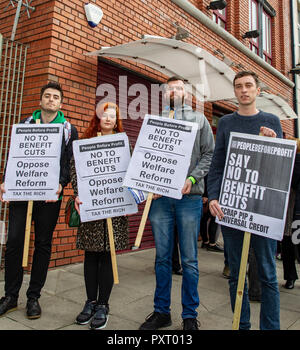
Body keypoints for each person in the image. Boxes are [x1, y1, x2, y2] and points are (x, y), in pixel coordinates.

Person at [207, 70, 282, 330]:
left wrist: (274, 143)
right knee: (236, 276)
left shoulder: (272, 121)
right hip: (232, 209)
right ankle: (242, 325)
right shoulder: (226, 122)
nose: (244, 90)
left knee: (268, 274)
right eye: (239, 86)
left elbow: (280, 170)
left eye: (249, 85)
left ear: (258, 90)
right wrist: (213, 196)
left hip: (262, 210)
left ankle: (270, 327)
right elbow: (217, 165)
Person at [139, 77, 214, 331]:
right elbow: (145, 158)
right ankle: (161, 312)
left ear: (187, 93)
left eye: (179, 87)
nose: (174, 91)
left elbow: (209, 154)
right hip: (160, 200)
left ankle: (190, 315)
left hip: (189, 198)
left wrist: (192, 179)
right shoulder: (154, 120)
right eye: (170, 88)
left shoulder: (199, 120)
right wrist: (150, 181)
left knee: (190, 260)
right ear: (165, 93)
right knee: (161, 258)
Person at [0, 82, 78, 319]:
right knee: (14, 241)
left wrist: (61, 184)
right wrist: (6, 181)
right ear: (41, 100)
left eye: (56, 97)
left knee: (43, 244)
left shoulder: (67, 129)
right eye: (47, 96)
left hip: (49, 197)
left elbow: (69, 162)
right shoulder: (25, 124)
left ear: (61, 103)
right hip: (22, 193)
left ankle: (34, 297)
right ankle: (10, 296)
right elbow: (15, 156)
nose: (51, 100)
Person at [71, 102, 128, 330]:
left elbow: (129, 171)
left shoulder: (123, 142)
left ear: (117, 120)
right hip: (91, 207)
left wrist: (127, 198)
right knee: (91, 256)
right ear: (97, 117)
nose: (108, 119)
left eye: (112, 116)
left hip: (114, 209)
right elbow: (76, 170)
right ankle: (90, 302)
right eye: (104, 115)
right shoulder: (85, 142)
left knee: (107, 255)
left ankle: (103, 304)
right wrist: (77, 194)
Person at [281, 140, 300, 289]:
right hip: (291, 210)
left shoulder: (294, 162)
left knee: (289, 244)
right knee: (291, 243)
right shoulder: (291, 162)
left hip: (292, 211)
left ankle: (290, 278)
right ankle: (290, 277)